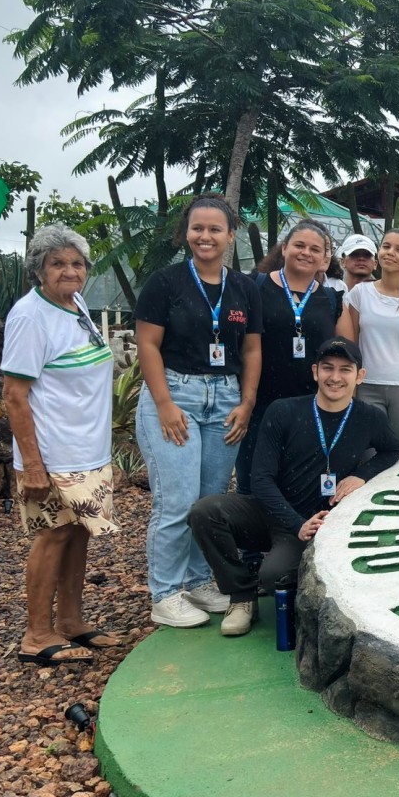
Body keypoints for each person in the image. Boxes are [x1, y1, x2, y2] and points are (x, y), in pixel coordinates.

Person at [188, 338, 399, 636]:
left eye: (345, 369)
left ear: (360, 376)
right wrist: (294, 522)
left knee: (274, 575)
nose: (335, 377)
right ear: (315, 371)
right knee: (205, 512)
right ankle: (241, 596)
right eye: (327, 368)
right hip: (273, 513)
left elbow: (393, 449)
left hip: (317, 524)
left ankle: (278, 577)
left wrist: (362, 476)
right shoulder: (283, 411)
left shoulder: (369, 418)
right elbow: (260, 478)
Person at [135, 195, 262, 628]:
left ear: (230, 235)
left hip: (226, 399)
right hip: (176, 394)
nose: (205, 236)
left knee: (207, 503)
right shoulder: (165, 282)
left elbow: (252, 349)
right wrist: (164, 404)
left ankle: (197, 580)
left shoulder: (244, 287)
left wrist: (247, 403)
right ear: (186, 233)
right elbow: (147, 344)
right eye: (197, 228)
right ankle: (165, 593)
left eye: (215, 229)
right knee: (176, 500)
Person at [2, 224, 119, 665]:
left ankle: (70, 621)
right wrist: (33, 465)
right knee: (52, 535)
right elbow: (14, 395)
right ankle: (36, 635)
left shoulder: (76, 304)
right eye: (57, 264)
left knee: (78, 532)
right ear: (39, 270)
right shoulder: (30, 316)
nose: (70, 271)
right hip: (52, 454)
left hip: (87, 451)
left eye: (77, 263)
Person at [237, 220, 341, 492]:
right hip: (260, 406)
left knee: (300, 485)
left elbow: (341, 354)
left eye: (315, 249)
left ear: (324, 258)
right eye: (299, 245)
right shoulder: (255, 286)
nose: (306, 253)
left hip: (310, 409)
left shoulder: (331, 299)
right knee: (253, 483)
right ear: (284, 249)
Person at [337, 228, 399, 445]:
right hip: (366, 385)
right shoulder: (359, 294)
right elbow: (351, 348)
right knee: (366, 454)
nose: (390, 252)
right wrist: (350, 394)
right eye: (386, 246)